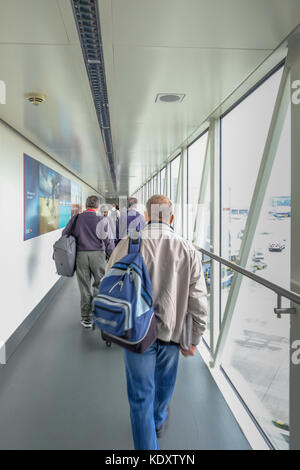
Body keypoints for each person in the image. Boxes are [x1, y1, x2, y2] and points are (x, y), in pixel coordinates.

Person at [106, 195, 207, 450]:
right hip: (172, 333)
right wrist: (193, 338)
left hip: (136, 332)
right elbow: (198, 300)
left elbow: (109, 280)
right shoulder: (187, 249)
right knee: (165, 385)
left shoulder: (129, 243)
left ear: (147, 216)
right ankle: (158, 420)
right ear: (171, 217)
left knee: (140, 397)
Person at [63, 195, 115, 328]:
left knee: (84, 286)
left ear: (86, 205)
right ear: (98, 207)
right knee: (100, 284)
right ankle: (99, 313)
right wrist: (112, 257)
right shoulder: (102, 219)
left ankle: (86, 318)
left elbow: (65, 234)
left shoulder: (77, 218)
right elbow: (108, 241)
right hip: (98, 255)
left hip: (81, 255)